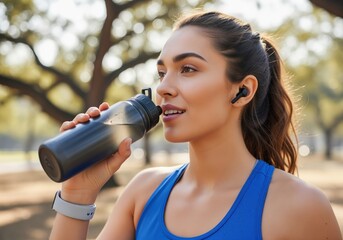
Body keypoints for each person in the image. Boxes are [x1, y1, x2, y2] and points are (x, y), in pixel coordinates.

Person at [49, 10, 342, 239]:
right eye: (162, 72)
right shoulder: (143, 193)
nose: (163, 87)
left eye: (188, 69)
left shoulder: (300, 206)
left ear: (243, 91)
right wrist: (78, 193)